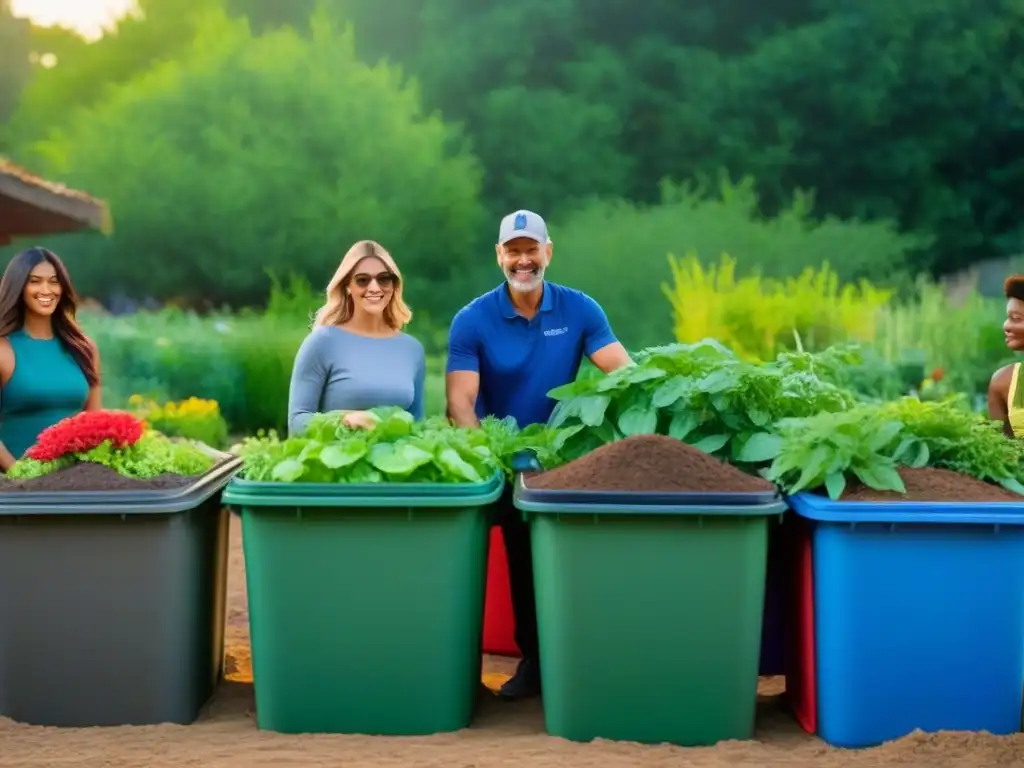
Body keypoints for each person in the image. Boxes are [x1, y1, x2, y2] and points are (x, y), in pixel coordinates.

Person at [445, 209, 632, 699]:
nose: (523, 260)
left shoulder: (579, 310)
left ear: (549, 252)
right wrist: (491, 454)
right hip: (500, 459)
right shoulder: (473, 319)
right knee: (518, 551)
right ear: (499, 255)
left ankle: (582, 657)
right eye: (514, 250)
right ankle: (535, 663)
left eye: (532, 250)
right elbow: (460, 402)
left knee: (573, 550)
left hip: (558, 459)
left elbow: (624, 374)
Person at [288, 240, 426, 436]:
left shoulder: (412, 350)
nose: (374, 287)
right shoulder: (322, 342)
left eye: (384, 279)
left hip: (394, 464)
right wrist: (345, 420)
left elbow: (418, 425)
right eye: (362, 280)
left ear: (394, 285)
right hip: (335, 463)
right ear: (347, 286)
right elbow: (297, 422)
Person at [0, 247, 102, 469]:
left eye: (54, 281)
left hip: (75, 484)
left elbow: (94, 422)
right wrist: (18, 475)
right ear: (19, 287)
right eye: (35, 281)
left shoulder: (84, 349)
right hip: (13, 488)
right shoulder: (3, 350)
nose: (46, 290)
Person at [987, 274, 1024, 437]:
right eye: (1008, 318)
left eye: (1016, 319)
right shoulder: (1004, 383)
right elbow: (999, 454)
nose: (1006, 326)